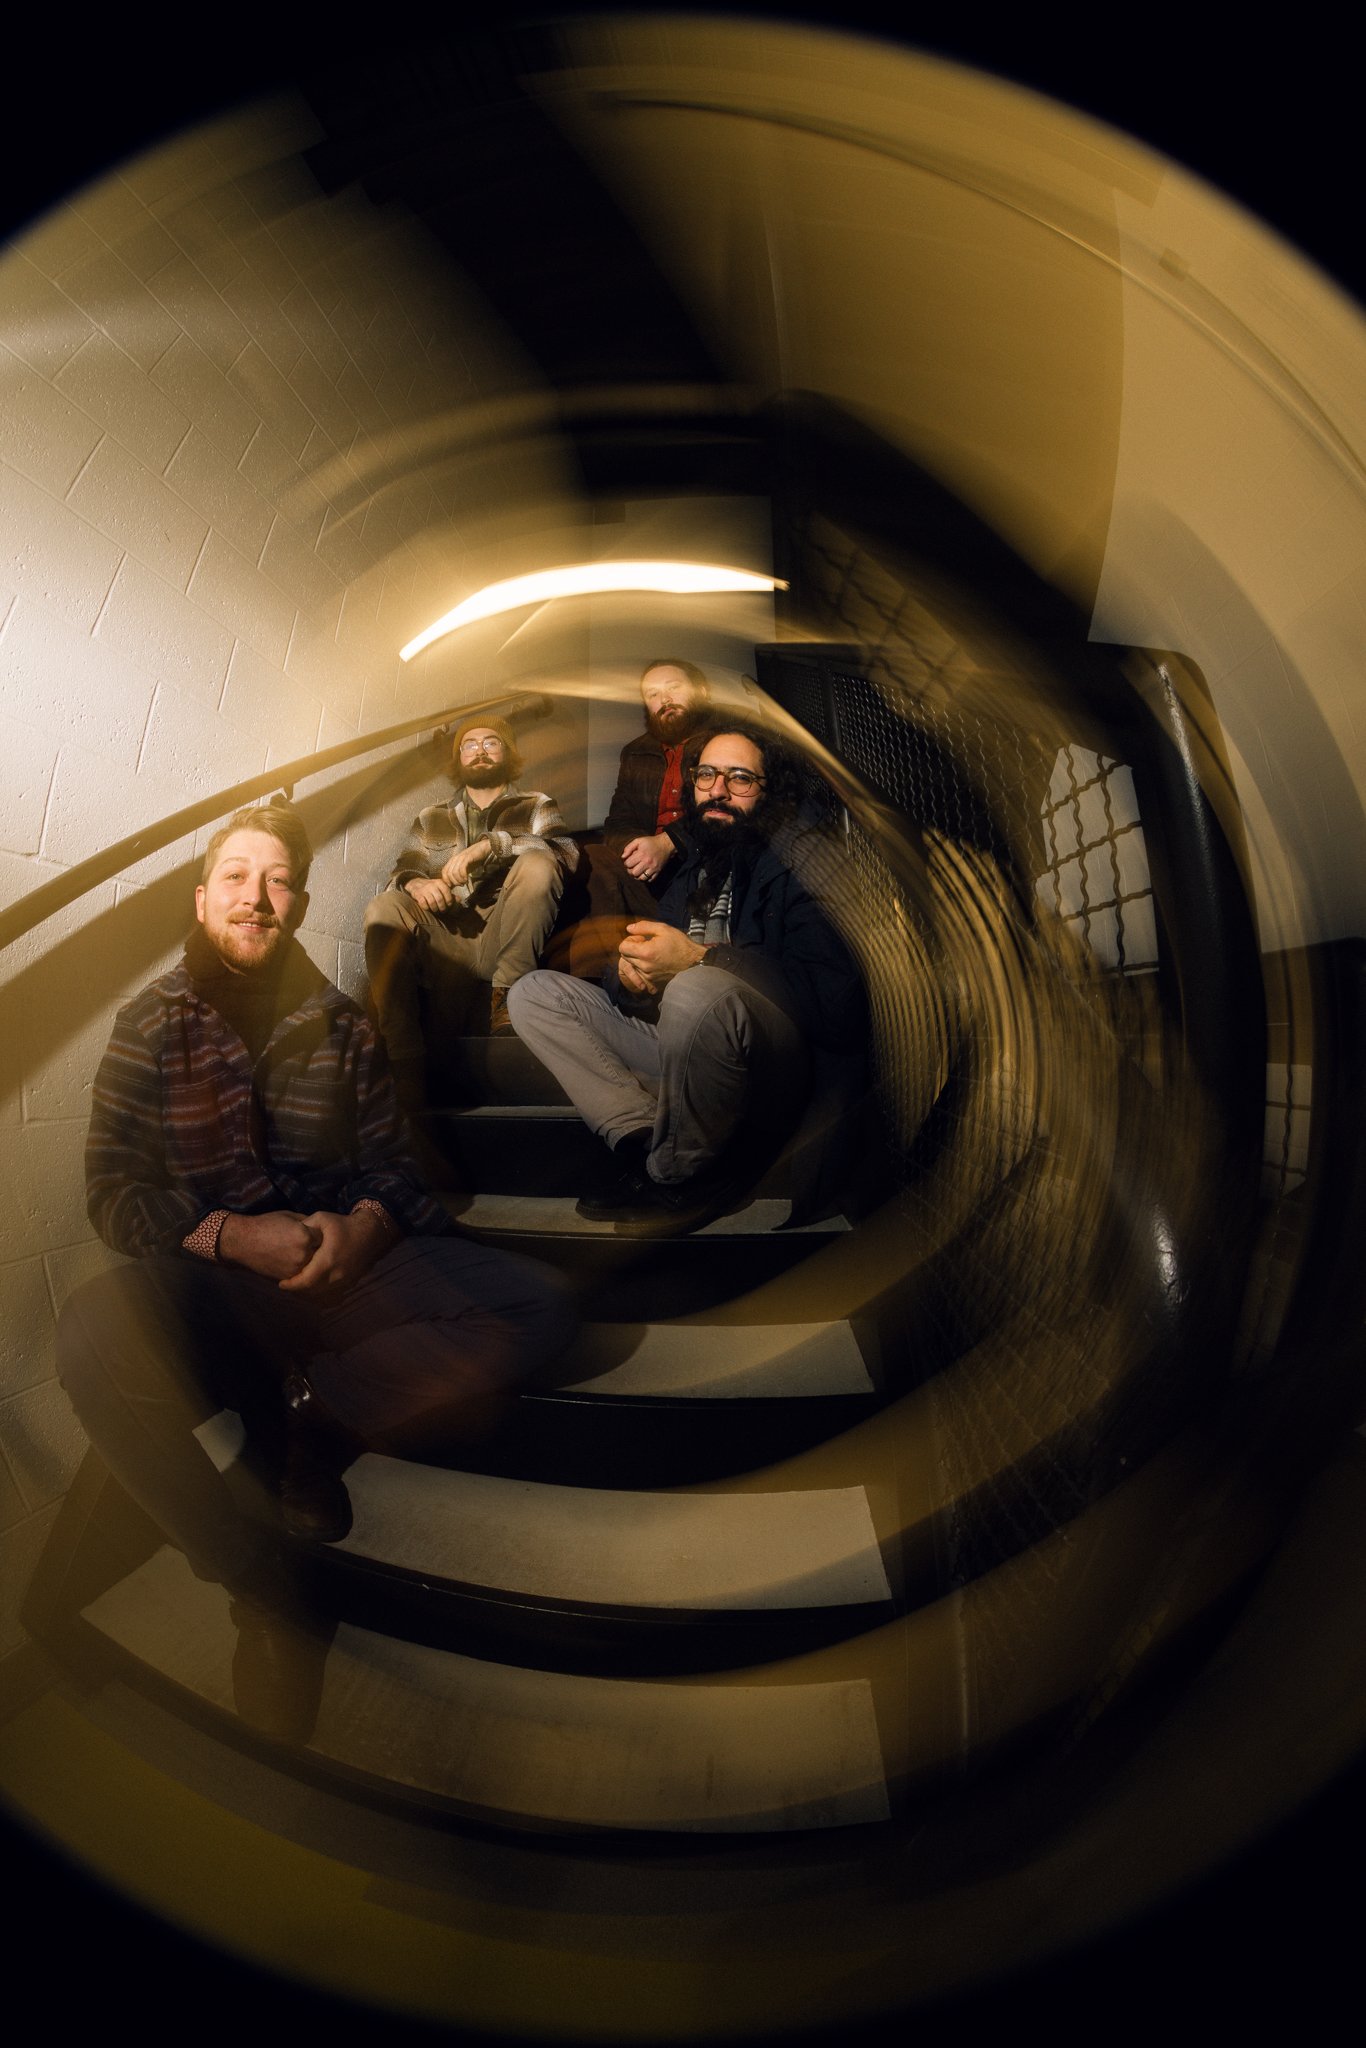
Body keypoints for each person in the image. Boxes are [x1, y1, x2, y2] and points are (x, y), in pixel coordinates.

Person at [56, 804, 575, 1740]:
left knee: (536, 1307)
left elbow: (399, 1170)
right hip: (222, 1289)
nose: (257, 898)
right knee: (91, 1333)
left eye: (279, 880)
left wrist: (365, 1229)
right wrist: (227, 1237)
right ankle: (263, 1586)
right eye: (237, 876)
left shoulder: (342, 1026)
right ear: (204, 893)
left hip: (347, 1280)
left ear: (296, 902)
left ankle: (311, 1414)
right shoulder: (150, 1024)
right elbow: (113, 1193)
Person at [509, 723, 865, 1235]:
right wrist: (627, 979)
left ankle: (684, 1173)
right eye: (707, 776)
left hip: (771, 1063)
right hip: (685, 1042)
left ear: (769, 792)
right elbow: (654, 971)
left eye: (740, 778)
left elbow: (836, 1002)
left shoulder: (802, 860)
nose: (718, 791)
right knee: (534, 992)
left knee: (699, 987)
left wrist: (701, 958)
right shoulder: (698, 865)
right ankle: (640, 1142)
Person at [363, 716, 574, 1100]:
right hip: (451, 938)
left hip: (506, 933)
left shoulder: (536, 804)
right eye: (469, 744)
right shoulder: (431, 816)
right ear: (459, 756)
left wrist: (495, 845)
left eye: (491, 742)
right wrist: (417, 882)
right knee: (384, 906)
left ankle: (507, 1005)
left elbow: (566, 853)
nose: (479, 750)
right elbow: (404, 869)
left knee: (540, 862)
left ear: (507, 752)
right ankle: (402, 1054)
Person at [567, 658, 712, 980]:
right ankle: (616, 972)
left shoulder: (724, 743)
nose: (665, 700)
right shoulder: (635, 752)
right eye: (653, 694)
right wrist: (640, 852)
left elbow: (725, 812)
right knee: (593, 857)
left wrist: (668, 842)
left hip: (703, 867)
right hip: (649, 872)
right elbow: (618, 821)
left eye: (674, 688)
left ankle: (622, 972)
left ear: (701, 691)